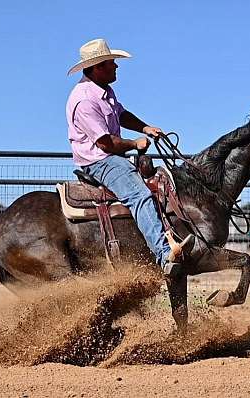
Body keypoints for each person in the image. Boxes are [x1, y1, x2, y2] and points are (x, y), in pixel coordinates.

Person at [65, 38, 193, 275]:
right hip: (98, 161)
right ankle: (164, 254)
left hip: (108, 156)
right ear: (97, 68)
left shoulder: (104, 91)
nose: (116, 66)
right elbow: (105, 143)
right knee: (139, 194)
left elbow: (121, 114)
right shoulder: (83, 100)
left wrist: (145, 128)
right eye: (111, 62)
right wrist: (135, 143)